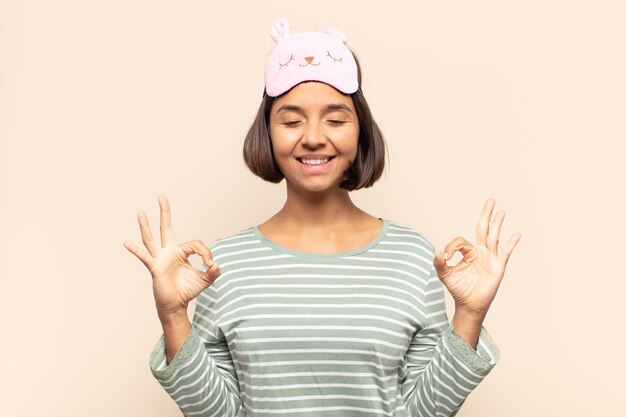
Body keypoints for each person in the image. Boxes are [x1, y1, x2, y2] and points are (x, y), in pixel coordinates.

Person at [123, 18, 521, 417]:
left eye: (335, 119)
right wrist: (174, 316)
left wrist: (469, 315)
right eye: (292, 120)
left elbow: (422, 411)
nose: (313, 136)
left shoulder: (412, 256)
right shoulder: (222, 264)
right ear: (267, 132)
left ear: (360, 131)